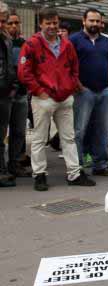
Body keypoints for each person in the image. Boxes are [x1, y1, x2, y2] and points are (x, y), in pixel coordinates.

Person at [18, 7, 95, 191]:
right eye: (48, 23)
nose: (53, 26)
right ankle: (39, 175)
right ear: (41, 24)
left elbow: (74, 68)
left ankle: (74, 173)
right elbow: (24, 72)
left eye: (55, 22)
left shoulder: (66, 45)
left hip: (64, 97)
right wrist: (38, 90)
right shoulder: (31, 44)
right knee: (39, 139)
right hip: (43, 98)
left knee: (68, 138)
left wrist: (70, 87)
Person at [70, 8, 108, 177]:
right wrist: (79, 86)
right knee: (79, 130)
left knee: (103, 130)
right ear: (84, 21)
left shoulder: (105, 41)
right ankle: (77, 167)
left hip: (104, 92)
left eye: (97, 21)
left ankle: (100, 165)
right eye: (91, 20)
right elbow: (68, 65)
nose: (95, 24)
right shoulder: (74, 40)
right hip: (83, 93)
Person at [3, 10, 30, 178]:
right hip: (4, 94)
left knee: (19, 131)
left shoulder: (25, 43)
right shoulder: (2, 42)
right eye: (10, 23)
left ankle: (15, 163)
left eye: (16, 23)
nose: (13, 26)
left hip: (21, 93)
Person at [0, 1, 17, 187]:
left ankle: (2, 170)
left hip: (4, 92)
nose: (2, 24)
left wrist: (11, 85)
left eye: (3, 21)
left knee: (1, 135)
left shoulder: (6, 38)